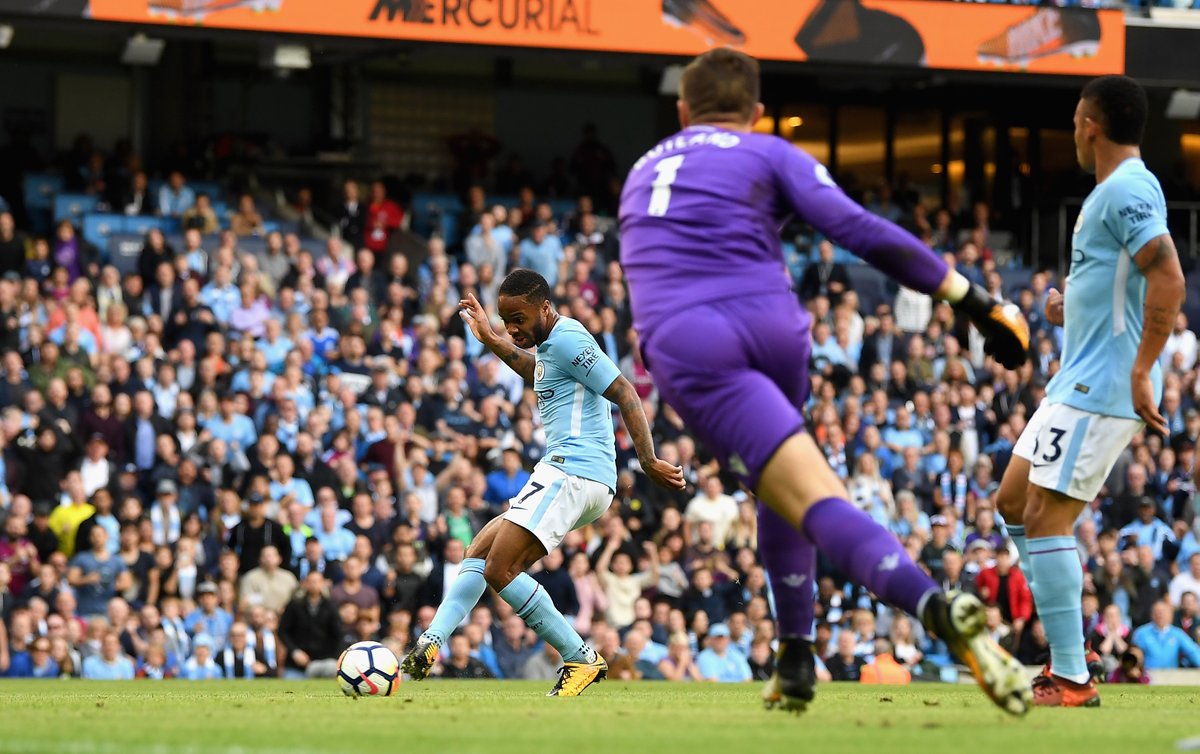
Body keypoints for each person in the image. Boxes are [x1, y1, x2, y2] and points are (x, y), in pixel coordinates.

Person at [618, 48, 1031, 716]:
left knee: (807, 496)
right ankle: (795, 656)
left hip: (693, 341)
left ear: (683, 111)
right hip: (776, 325)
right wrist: (976, 301)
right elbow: (857, 229)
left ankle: (934, 606)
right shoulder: (769, 150)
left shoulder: (641, 170)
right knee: (780, 489)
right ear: (757, 112)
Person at [401, 269, 684, 698]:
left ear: (545, 307)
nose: (513, 329)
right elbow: (535, 370)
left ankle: (579, 655)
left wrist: (648, 460)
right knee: (479, 551)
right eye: (506, 320)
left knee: (500, 569)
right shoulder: (551, 347)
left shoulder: (568, 338)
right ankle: (431, 641)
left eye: (518, 319)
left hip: (574, 471)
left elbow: (625, 391)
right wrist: (492, 339)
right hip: (570, 473)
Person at [995, 75, 1186, 708]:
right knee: (1012, 500)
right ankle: (1072, 647)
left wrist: (1142, 369)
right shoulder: (1112, 191)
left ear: (1089, 125)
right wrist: (1068, 308)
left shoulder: (1127, 188)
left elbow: (1168, 277)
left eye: (1075, 122)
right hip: (1074, 378)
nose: (1073, 132)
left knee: (1047, 518)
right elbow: (1121, 285)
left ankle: (1072, 675)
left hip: (1101, 385)